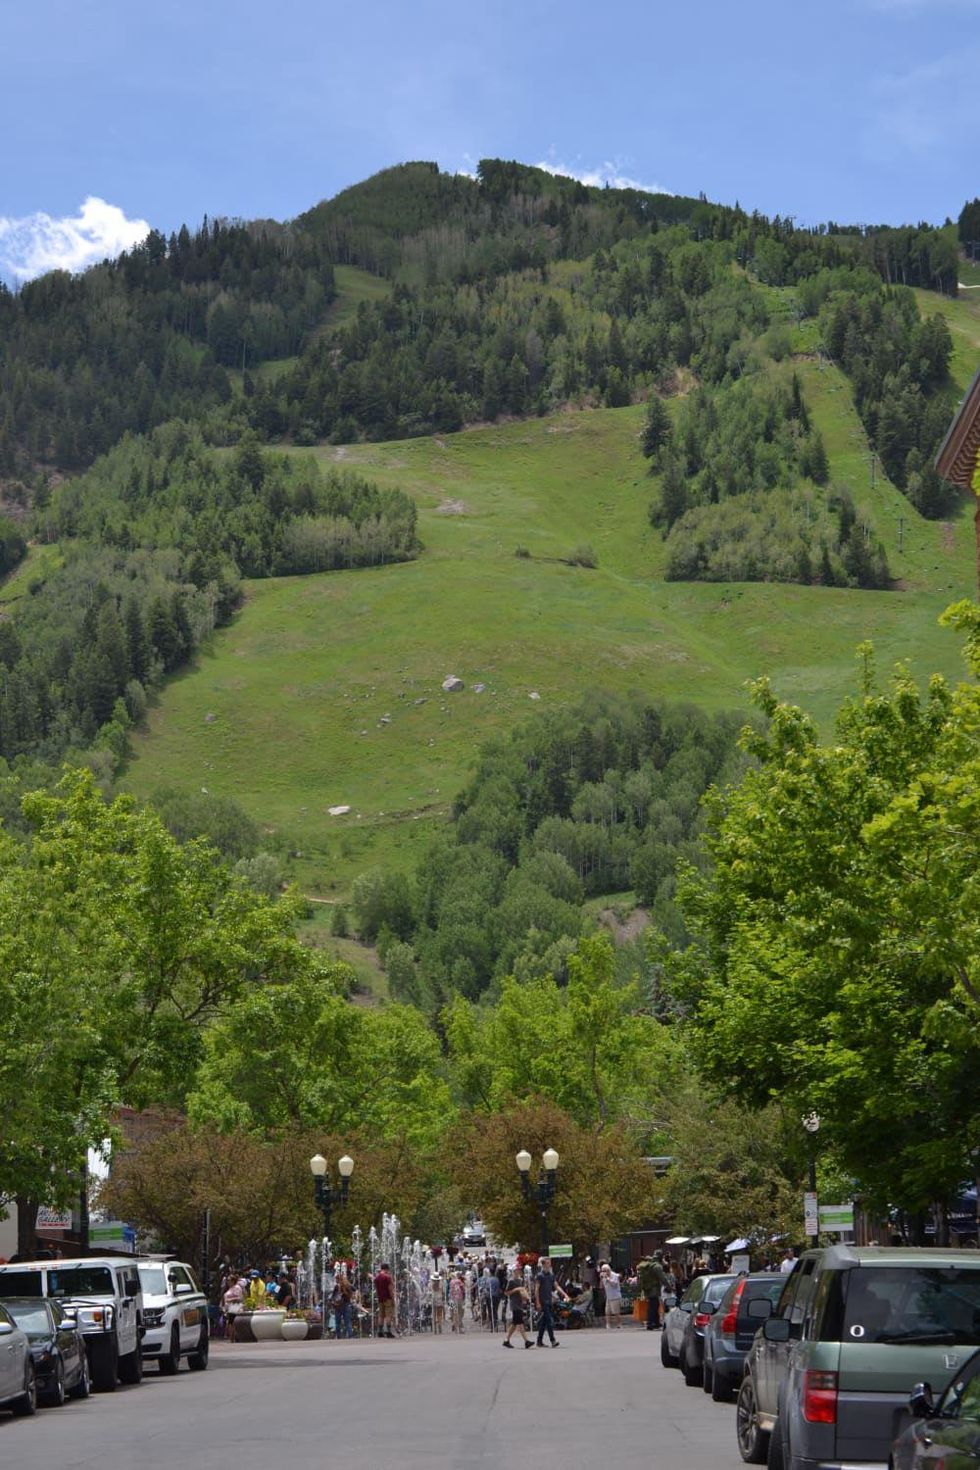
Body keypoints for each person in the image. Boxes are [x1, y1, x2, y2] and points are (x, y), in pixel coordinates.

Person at [535, 1257, 568, 1347]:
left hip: (549, 1300)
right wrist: (537, 1302)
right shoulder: (540, 1275)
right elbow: (537, 1289)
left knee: (544, 1321)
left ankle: (539, 1340)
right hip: (543, 1301)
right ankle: (552, 1340)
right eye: (548, 1263)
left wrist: (565, 1294)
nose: (550, 1264)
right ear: (544, 1264)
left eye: (550, 1263)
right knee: (549, 1320)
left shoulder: (551, 1275)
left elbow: (556, 1286)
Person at [637, 1253, 671, 1331]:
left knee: (655, 1304)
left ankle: (656, 1322)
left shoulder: (650, 1265)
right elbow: (663, 1278)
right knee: (653, 1305)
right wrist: (669, 1286)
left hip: (648, 1288)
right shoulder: (657, 1266)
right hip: (654, 1288)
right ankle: (650, 1323)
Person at [502, 1267, 533, 1349]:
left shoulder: (520, 1280)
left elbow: (522, 1291)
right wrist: (516, 1289)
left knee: (515, 1324)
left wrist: (525, 1297)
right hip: (514, 1304)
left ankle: (506, 1340)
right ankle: (526, 1341)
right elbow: (506, 1293)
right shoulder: (511, 1281)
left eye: (519, 1270)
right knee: (520, 1322)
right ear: (514, 1271)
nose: (519, 1272)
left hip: (519, 1303)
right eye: (517, 1270)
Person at [375, 1262, 396, 1338]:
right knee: (388, 1315)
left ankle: (380, 1332)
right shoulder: (387, 1277)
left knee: (381, 1315)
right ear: (387, 1269)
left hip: (380, 1299)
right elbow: (390, 1289)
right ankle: (388, 1331)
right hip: (387, 1298)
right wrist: (393, 1299)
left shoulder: (377, 1277)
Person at [600, 1262, 623, 1328]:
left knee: (616, 1312)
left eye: (604, 1271)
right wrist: (601, 1279)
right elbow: (601, 1287)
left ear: (608, 1270)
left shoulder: (614, 1275)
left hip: (615, 1296)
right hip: (608, 1296)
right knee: (607, 1312)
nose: (603, 1272)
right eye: (602, 1271)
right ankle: (608, 1325)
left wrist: (608, 1279)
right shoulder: (604, 1276)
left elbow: (614, 1284)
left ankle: (619, 1324)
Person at [332, 1272, 354, 1338]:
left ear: (338, 1279)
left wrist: (333, 1301)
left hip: (338, 1306)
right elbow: (355, 1290)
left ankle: (339, 1337)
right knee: (348, 1322)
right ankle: (350, 1336)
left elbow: (333, 1296)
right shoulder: (348, 1285)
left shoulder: (337, 1286)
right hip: (347, 1305)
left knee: (337, 1323)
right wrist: (353, 1297)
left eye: (336, 1279)